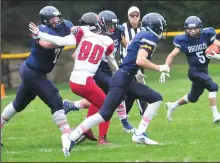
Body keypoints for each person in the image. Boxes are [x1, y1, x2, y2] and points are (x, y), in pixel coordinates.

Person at [62, 13, 169, 156]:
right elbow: (140, 60)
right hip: (122, 79)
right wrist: (159, 67)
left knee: (156, 98)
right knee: (103, 114)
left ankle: (140, 134)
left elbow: (131, 54)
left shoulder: (142, 35)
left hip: (126, 78)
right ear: (156, 26)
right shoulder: (149, 37)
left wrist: (136, 73)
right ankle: (71, 137)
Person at [0, 6, 74, 150]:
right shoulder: (39, 30)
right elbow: (46, 44)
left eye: (57, 17)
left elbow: (76, 32)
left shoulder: (67, 26)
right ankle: (68, 135)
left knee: (19, 104)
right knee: (55, 99)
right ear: (45, 21)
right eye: (52, 18)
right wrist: (64, 41)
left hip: (37, 72)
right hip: (31, 71)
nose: (56, 20)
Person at [63, 10, 136, 143]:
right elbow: (76, 55)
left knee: (101, 101)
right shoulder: (95, 36)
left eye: (113, 25)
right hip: (98, 71)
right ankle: (114, 129)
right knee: (111, 100)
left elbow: (127, 47)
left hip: (109, 70)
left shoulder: (118, 32)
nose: (112, 28)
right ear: (101, 24)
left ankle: (79, 117)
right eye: (109, 25)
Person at [160, 16, 220, 124]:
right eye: (190, 29)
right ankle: (215, 115)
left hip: (204, 70)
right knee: (213, 86)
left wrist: (219, 55)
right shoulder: (183, 40)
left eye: (195, 28)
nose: (192, 31)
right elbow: (171, 55)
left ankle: (172, 105)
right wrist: (166, 67)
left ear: (199, 28)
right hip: (194, 71)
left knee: (193, 97)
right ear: (186, 29)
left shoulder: (206, 35)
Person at [120, 6, 149, 116]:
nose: (135, 18)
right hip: (127, 64)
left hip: (140, 62)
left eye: (137, 16)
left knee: (132, 91)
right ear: (128, 17)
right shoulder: (122, 28)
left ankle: (124, 115)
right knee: (138, 87)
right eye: (132, 16)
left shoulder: (144, 28)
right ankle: (144, 112)